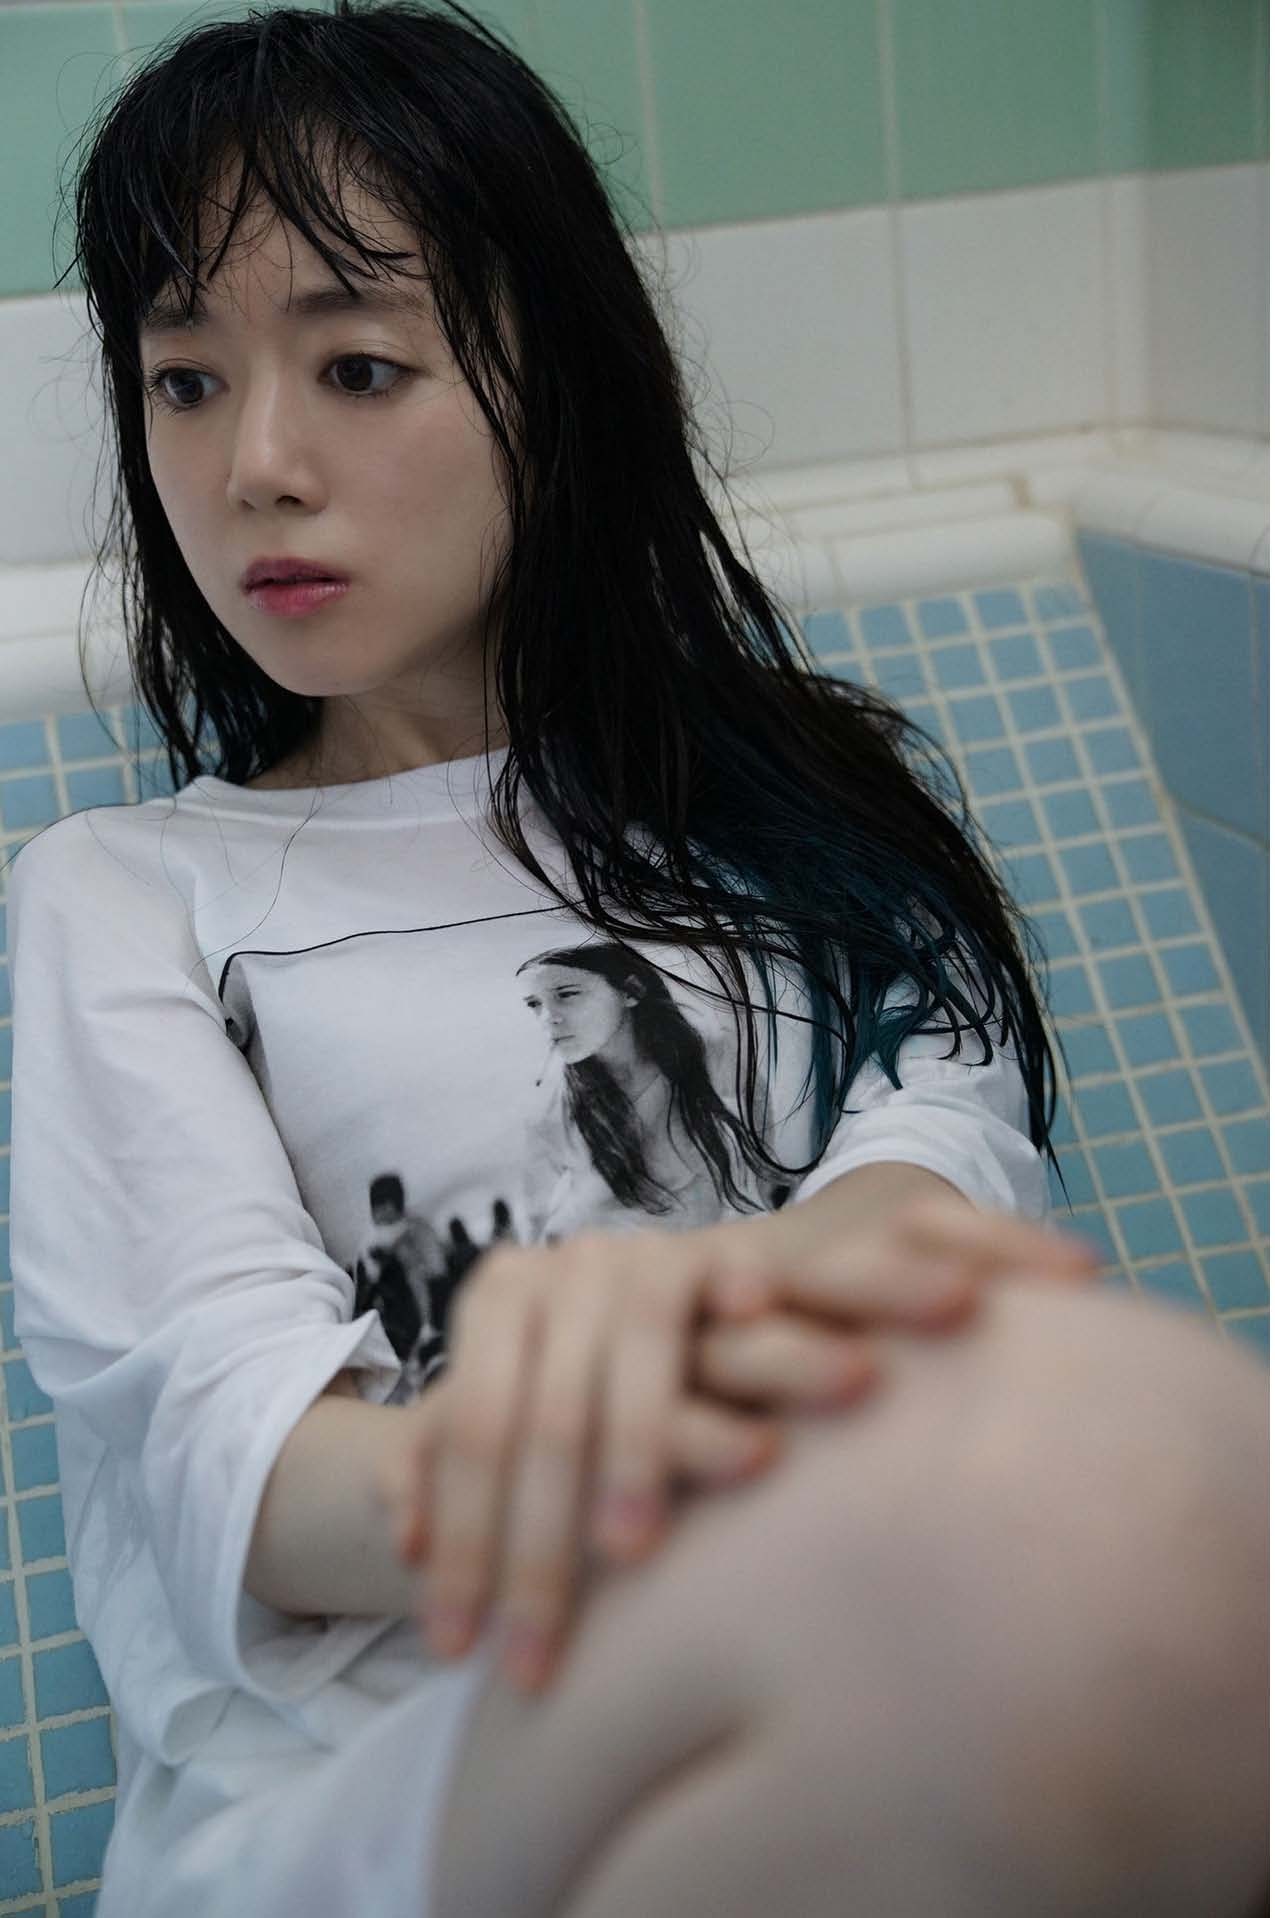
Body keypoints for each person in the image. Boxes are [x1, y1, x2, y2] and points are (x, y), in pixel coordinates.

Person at [6, 4, 1265, 1915]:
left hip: (846, 1643)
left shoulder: (810, 814)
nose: (254, 463)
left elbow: (933, 1206)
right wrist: (602, 1439)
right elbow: (247, 1473)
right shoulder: (126, 892)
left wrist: (683, 1323)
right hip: (377, 1800)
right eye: (184, 380)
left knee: (1161, 1491)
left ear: (559, 383)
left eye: (358, 366)